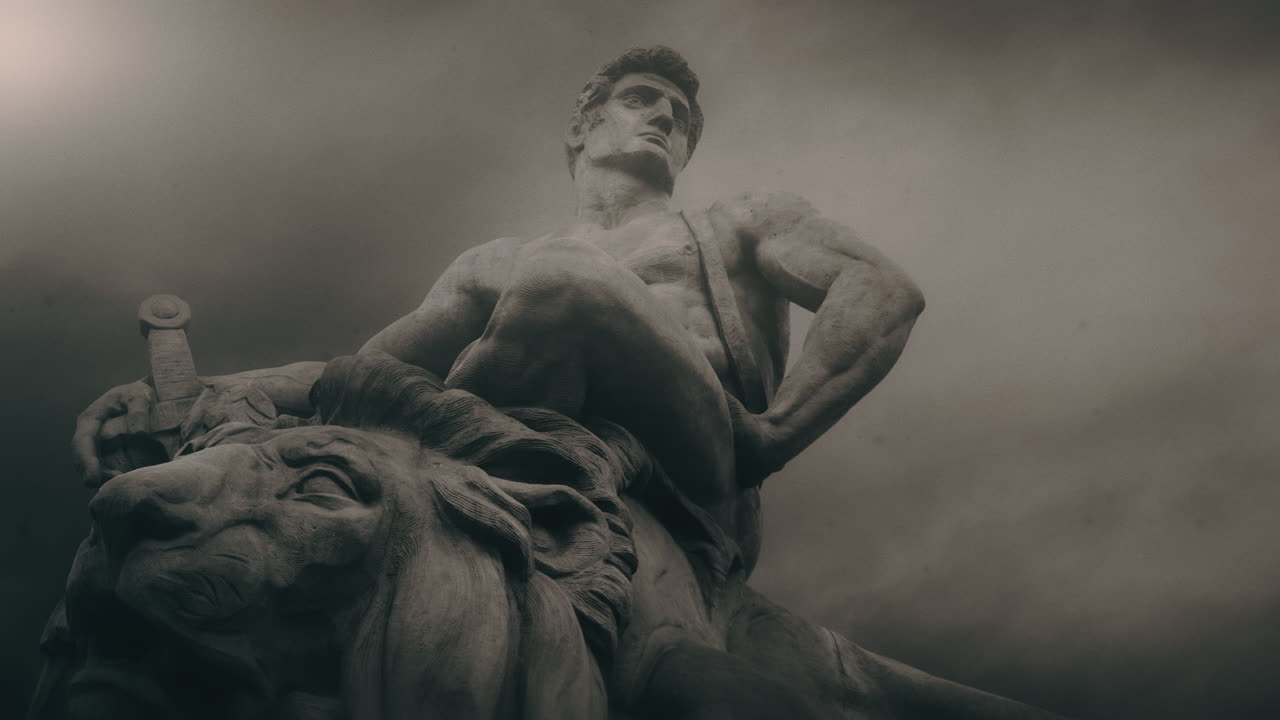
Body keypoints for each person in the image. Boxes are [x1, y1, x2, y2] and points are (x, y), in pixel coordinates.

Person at [70, 46, 926, 719]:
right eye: (642, 99)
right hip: (528, 454)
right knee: (367, 420)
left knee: (562, 285)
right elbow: (361, 375)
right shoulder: (493, 266)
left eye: (682, 115)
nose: (667, 117)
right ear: (583, 126)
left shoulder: (739, 221)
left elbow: (880, 290)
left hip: (687, 464)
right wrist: (220, 387)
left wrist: (774, 435)